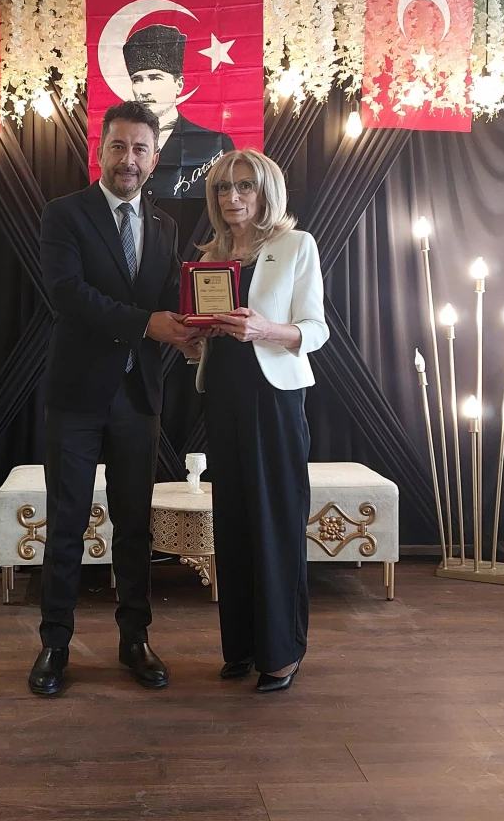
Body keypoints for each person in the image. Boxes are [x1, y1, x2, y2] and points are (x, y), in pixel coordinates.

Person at [28, 100, 197, 697]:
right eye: (119, 146)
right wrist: (147, 323)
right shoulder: (64, 214)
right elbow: (67, 294)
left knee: (134, 526)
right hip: (76, 395)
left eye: (140, 149)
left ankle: (135, 640)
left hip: (138, 396)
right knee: (67, 523)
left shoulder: (165, 226)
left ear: (155, 158)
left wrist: (195, 328)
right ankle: (55, 644)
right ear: (100, 150)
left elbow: (167, 300)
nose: (129, 159)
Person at [185, 150, 327, 692]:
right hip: (222, 394)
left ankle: (281, 651)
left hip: (273, 398)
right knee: (234, 519)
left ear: (266, 191)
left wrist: (266, 330)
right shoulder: (210, 256)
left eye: (244, 186)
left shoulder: (296, 245)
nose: (232, 196)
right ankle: (241, 646)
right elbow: (208, 336)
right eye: (223, 187)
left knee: (275, 518)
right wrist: (195, 343)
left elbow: (315, 329)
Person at [123, 24, 235, 200]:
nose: (144, 90)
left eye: (155, 78)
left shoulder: (215, 144)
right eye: (137, 80)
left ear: (179, 84)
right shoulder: (121, 145)